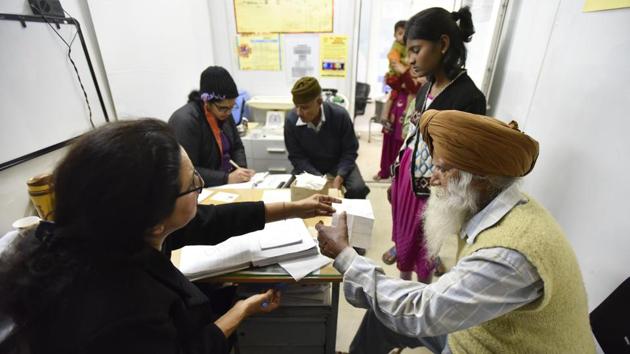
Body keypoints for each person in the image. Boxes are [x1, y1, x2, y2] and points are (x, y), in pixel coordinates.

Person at [0, 119, 340, 354]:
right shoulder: (127, 311)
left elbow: (215, 219)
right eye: (193, 183)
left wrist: (296, 208)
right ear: (153, 222)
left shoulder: (109, 231)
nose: (202, 186)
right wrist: (240, 312)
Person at [316, 109, 596, 354]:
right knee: (381, 316)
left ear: (479, 180)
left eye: (441, 168)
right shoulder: (503, 207)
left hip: (495, 348)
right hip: (477, 333)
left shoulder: (509, 254)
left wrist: (345, 255)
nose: (432, 179)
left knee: (401, 310)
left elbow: (422, 313)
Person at [381, 7, 486, 283]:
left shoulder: (468, 98)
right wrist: (398, 172)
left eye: (416, 49)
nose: (410, 59)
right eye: (408, 51)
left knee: (426, 240)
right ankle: (403, 271)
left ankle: (419, 291)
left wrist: (448, 175)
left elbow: (467, 157)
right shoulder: (427, 86)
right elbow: (414, 131)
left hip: (433, 186)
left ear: (442, 44)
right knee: (405, 231)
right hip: (409, 175)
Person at [284, 76, 370, 199]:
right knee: (290, 192)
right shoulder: (291, 120)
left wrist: (340, 176)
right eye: (296, 106)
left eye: (304, 107)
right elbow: (297, 157)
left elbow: (350, 151)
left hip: (338, 162)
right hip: (309, 166)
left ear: (319, 102)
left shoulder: (340, 116)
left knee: (358, 189)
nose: (298, 112)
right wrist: (319, 179)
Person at [169, 66, 254, 187]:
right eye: (223, 108)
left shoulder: (224, 113)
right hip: (200, 190)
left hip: (226, 185)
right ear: (206, 101)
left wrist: (240, 170)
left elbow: (237, 146)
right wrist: (226, 178)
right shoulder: (185, 121)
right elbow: (186, 170)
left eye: (232, 107)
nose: (228, 113)